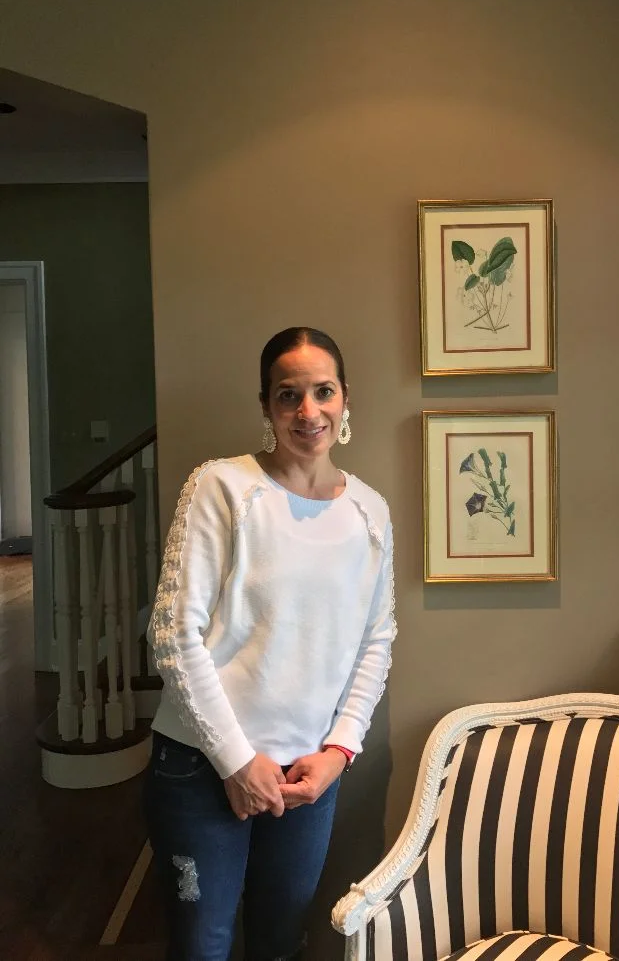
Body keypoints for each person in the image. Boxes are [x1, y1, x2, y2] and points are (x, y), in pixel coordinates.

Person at [144, 326, 396, 961]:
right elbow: (173, 635)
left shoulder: (371, 511)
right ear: (266, 406)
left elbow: (377, 640)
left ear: (344, 400)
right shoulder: (222, 488)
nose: (308, 412)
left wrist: (339, 751)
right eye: (289, 395)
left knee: (282, 943)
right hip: (201, 767)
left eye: (322, 392)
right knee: (203, 946)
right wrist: (234, 760)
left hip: (310, 776)